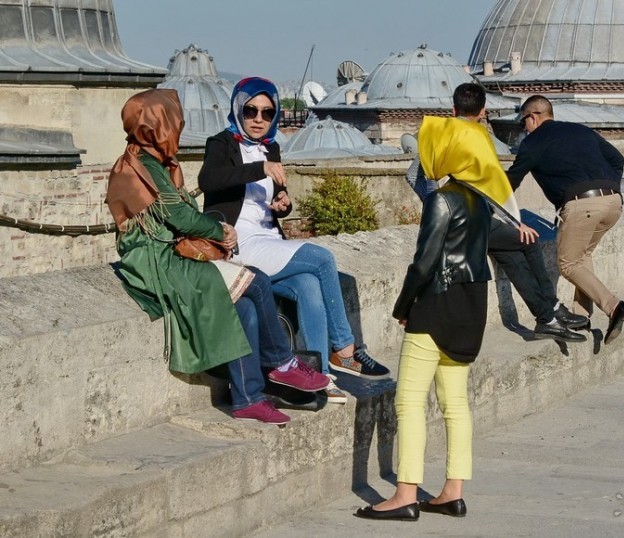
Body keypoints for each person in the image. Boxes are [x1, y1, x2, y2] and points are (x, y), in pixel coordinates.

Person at [106, 89, 329, 425]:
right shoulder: (146, 166)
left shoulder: (148, 161)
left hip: (168, 253)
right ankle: (282, 362)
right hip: (160, 262)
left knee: (243, 308)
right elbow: (180, 218)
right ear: (158, 127)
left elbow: (180, 214)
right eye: (173, 123)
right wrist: (218, 230)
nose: (178, 130)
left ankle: (247, 397)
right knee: (256, 281)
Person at [355, 106, 519, 521]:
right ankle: (452, 492)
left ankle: (405, 493)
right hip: (471, 304)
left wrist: (402, 306)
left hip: (438, 304)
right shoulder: (481, 201)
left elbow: (424, 262)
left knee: (409, 400)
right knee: (455, 402)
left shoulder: (442, 199)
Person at [198, 77, 390, 404]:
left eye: (267, 112)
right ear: (238, 109)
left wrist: (283, 204)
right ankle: (345, 349)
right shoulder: (222, 144)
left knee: (308, 285)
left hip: (269, 241)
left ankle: (319, 377)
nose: (258, 119)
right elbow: (209, 179)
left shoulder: (272, 147)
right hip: (239, 246)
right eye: (251, 110)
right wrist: (260, 168)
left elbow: (268, 202)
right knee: (322, 258)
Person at [405, 84, 587, 343]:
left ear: (453, 109)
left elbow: (412, 175)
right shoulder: (477, 136)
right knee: (529, 240)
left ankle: (546, 319)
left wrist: (435, 203)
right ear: (483, 112)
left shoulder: (436, 133)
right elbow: (493, 186)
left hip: (456, 222)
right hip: (471, 221)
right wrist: (516, 222)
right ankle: (553, 307)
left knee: (511, 257)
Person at [506, 95, 624, 345]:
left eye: (523, 123)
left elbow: (510, 182)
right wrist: (608, 187)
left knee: (567, 264)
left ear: (533, 117)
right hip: (613, 203)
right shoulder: (582, 130)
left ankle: (614, 307)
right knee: (582, 256)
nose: (524, 129)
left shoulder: (533, 142)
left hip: (580, 205)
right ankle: (581, 316)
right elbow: (618, 160)